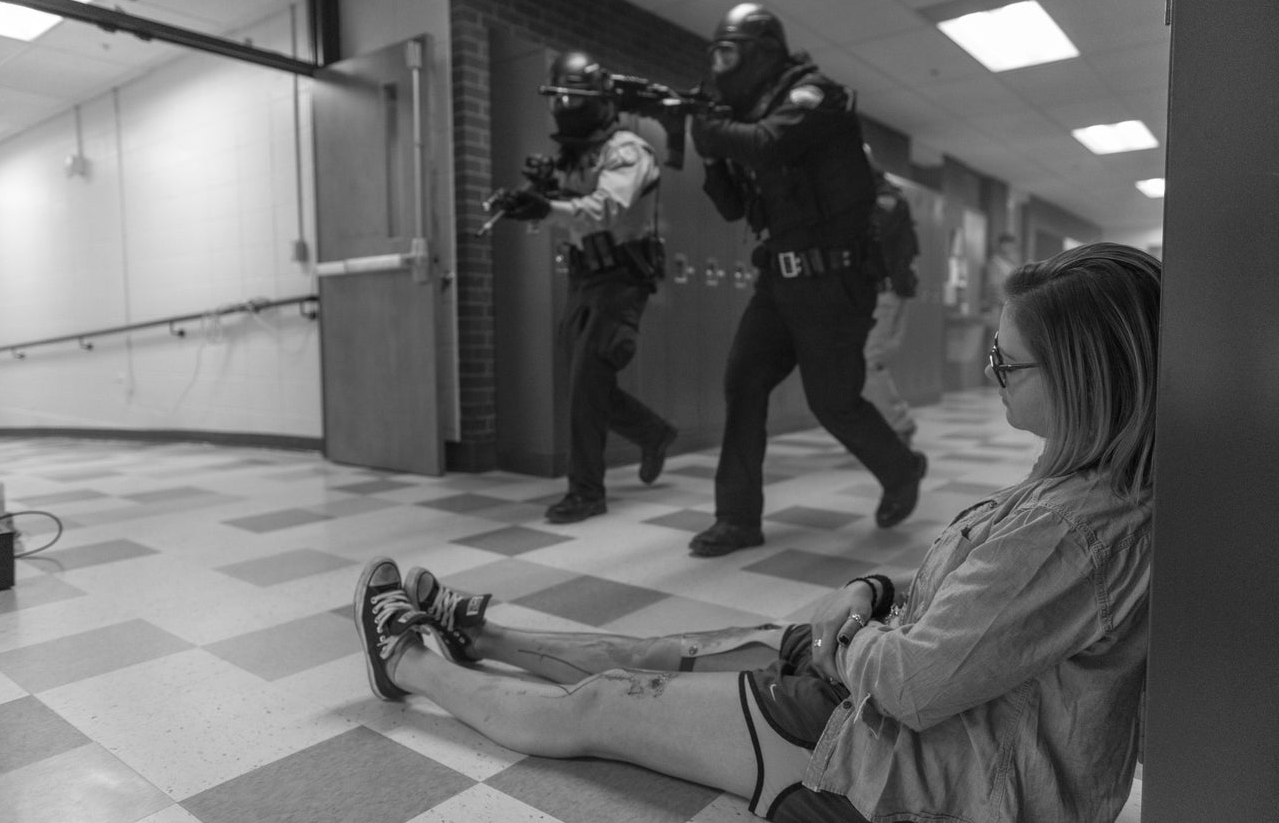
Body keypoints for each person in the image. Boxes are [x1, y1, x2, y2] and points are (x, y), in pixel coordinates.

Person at [354, 242, 1160, 823]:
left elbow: (915, 686)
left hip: (916, 774)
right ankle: (481, 635)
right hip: (914, 711)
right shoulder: (1082, 490)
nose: (991, 374)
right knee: (671, 650)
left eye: (1007, 362)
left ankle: (408, 662)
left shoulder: (1070, 528)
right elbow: (986, 610)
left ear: (1086, 377)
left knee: (600, 703)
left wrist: (843, 636)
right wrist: (874, 590)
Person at [685, 3, 926, 556]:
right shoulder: (745, 120)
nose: (720, 65)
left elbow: (770, 143)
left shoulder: (816, 97)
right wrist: (710, 151)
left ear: (762, 51)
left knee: (832, 402)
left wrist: (713, 128)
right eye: (714, 54)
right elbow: (728, 207)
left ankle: (902, 470)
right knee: (743, 384)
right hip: (777, 283)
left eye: (729, 53)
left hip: (834, 285)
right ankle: (738, 520)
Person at [493, 50, 677, 524]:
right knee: (583, 384)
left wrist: (545, 208)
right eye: (560, 98)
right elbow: (566, 207)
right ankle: (653, 433)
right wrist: (532, 199)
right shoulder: (574, 155)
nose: (565, 107)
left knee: (586, 384)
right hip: (583, 277)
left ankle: (587, 492)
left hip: (620, 280)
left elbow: (605, 209)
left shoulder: (628, 150)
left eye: (574, 97)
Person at [861, 157, 921, 447]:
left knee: (870, 361)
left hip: (886, 292)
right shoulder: (878, 193)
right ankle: (881, 426)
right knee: (864, 361)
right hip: (871, 293)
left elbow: (877, 230)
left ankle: (899, 424)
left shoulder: (885, 196)